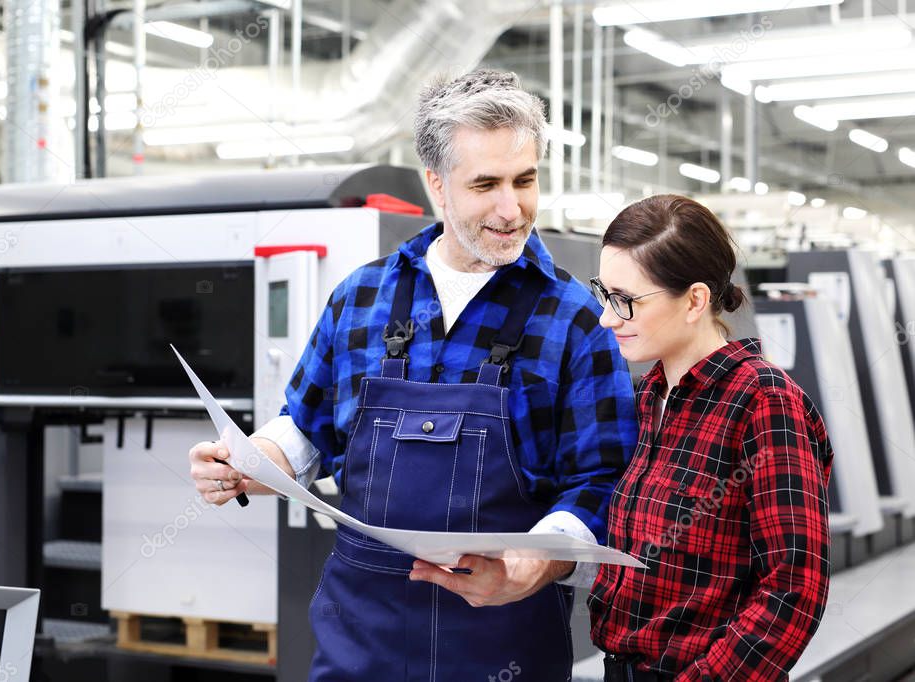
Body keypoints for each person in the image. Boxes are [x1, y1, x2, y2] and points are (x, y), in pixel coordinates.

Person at [188, 69, 638, 681]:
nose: (511, 209)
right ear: (437, 185)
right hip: (360, 642)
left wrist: (536, 562)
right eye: (485, 185)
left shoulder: (575, 319)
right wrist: (245, 461)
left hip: (501, 646)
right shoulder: (363, 297)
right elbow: (308, 426)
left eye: (524, 181)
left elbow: (604, 480)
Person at [587, 194, 833, 681]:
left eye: (626, 301)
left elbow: (794, 589)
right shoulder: (651, 396)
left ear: (696, 300)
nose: (607, 318)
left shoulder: (764, 402)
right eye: (603, 294)